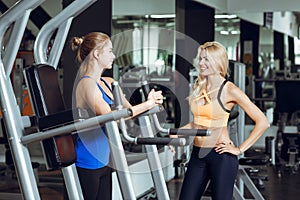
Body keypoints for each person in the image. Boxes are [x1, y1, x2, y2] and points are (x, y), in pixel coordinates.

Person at [71, 32, 163, 200]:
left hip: (106, 160)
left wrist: (150, 101)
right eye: (110, 51)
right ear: (97, 54)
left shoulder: (109, 82)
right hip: (88, 162)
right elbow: (110, 116)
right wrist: (147, 104)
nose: (114, 56)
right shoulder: (86, 84)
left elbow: (129, 112)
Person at [178, 41, 270, 200]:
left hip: (220, 156)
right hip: (198, 154)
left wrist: (240, 149)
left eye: (206, 59)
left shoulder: (230, 90)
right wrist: (177, 134)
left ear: (218, 62)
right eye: (200, 59)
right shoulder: (199, 87)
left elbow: (263, 121)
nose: (201, 63)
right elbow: (197, 123)